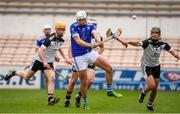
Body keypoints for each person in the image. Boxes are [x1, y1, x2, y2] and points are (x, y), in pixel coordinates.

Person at [4, 22, 71, 106]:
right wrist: (44, 62)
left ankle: (50, 98)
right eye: (60, 29)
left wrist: (64, 58)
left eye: (63, 30)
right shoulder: (49, 39)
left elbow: (58, 47)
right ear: (56, 30)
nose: (62, 31)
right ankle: (14, 72)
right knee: (26, 77)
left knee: (52, 78)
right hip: (39, 60)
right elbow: (40, 51)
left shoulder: (61, 40)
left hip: (49, 61)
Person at [70, 10, 122, 110]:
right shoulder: (73, 26)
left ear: (86, 18)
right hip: (78, 56)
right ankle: (85, 102)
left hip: (89, 53)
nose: (81, 21)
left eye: (82, 20)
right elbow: (78, 41)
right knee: (84, 82)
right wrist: (90, 44)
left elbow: (95, 33)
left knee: (109, 68)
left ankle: (110, 91)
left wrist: (98, 40)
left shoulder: (90, 26)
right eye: (79, 20)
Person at [125, 27, 179, 111]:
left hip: (156, 67)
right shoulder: (147, 42)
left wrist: (176, 55)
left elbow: (171, 50)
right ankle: (143, 93)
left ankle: (149, 104)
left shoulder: (163, 44)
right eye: (153, 33)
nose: (154, 34)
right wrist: (128, 42)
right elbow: (137, 43)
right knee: (151, 85)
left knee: (155, 88)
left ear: (159, 34)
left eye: (156, 33)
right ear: (151, 34)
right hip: (146, 66)